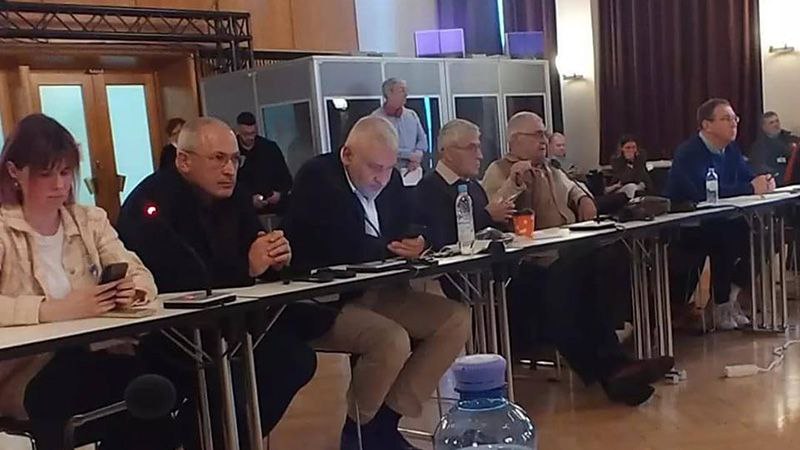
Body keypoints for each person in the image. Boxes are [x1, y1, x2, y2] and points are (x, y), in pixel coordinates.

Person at [117, 117, 333, 448]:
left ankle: (229, 441)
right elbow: (175, 278)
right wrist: (247, 266)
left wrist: (277, 256)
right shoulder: (150, 204)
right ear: (184, 161)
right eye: (218, 159)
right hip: (172, 336)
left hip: (233, 327)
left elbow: (256, 250)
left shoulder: (235, 197)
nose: (230, 170)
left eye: (234, 159)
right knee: (230, 379)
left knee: (294, 359)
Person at [286, 116, 470, 450]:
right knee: (390, 340)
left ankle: (386, 420)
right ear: (347, 155)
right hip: (325, 302)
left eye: (388, 168)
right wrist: (391, 247)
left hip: (380, 291)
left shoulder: (391, 179)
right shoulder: (317, 178)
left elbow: (415, 223)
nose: (381, 178)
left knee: (455, 319)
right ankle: (356, 432)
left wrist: (420, 241)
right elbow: (342, 243)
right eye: (374, 168)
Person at [0, 114, 177, 449]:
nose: (59, 185)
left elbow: (138, 273)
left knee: (151, 384)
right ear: (14, 172)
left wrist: (131, 292)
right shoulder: (3, 230)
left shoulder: (89, 220)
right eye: (46, 174)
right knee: (127, 391)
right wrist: (50, 310)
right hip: (26, 373)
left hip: (97, 354)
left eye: (66, 172)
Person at [474, 113, 672, 405]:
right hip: (529, 263)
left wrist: (583, 198)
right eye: (536, 135)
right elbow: (493, 209)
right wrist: (515, 181)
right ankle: (616, 369)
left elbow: (573, 187)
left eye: (545, 134)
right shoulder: (499, 170)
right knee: (571, 288)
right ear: (515, 140)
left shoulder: (551, 169)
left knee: (607, 259)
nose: (543, 140)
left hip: (565, 252)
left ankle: (618, 369)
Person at [665, 98, 774, 330]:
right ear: (706, 125)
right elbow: (701, 193)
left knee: (764, 235)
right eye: (726, 119)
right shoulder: (689, 152)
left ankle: (729, 298)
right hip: (688, 225)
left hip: (720, 219)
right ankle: (720, 304)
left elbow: (747, 178)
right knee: (731, 233)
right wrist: (750, 188)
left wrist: (763, 181)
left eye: (735, 118)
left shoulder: (731, 149)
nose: (734, 123)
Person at [372, 78, 429, 182]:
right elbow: (379, 147)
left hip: (414, 172)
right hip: (388, 174)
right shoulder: (376, 119)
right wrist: (409, 155)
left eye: (406, 90)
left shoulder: (412, 115)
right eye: (402, 90)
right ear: (389, 93)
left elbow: (422, 138)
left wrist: (417, 156)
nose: (406, 94)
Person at [235, 112, 293, 214]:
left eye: (253, 133)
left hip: (274, 209)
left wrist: (280, 195)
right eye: (246, 134)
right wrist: (248, 200)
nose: (251, 137)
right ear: (238, 131)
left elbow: (286, 178)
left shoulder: (269, 148)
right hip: (243, 212)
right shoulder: (232, 150)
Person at [749, 111, 799, 184]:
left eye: (777, 121)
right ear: (764, 127)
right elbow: (760, 168)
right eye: (771, 123)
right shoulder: (759, 147)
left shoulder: (790, 139)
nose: (776, 125)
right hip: (777, 182)